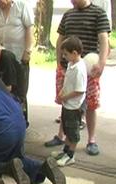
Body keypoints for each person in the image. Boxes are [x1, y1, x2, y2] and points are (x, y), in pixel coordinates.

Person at [44, 0, 110, 156]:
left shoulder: (98, 13)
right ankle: (61, 136)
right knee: (65, 100)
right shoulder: (68, 14)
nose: (71, 1)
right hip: (67, 67)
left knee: (90, 104)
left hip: (89, 68)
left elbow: (104, 40)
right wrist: (59, 62)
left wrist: (101, 63)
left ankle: (91, 140)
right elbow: (60, 39)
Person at [0, 0, 34, 126]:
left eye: (1, 0)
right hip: (3, 58)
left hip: (19, 56)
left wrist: (28, 50)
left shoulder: (22, 6)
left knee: (20, 89)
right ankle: (10, 119)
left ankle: (22, 120)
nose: (0, 2)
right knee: (5, 88)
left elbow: (29, 29)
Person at [51, 36, 87, 166]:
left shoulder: (79, 69)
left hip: (74, 106)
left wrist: (65, 97)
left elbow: (80, 90)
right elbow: (68, 83)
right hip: (67, 104)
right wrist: (61, 93)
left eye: (66, 54)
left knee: (73, 132)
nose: (64, 57)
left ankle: (70, 155)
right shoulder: (72, 64)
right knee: (67, 128)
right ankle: (65, 151)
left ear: (75, 53)